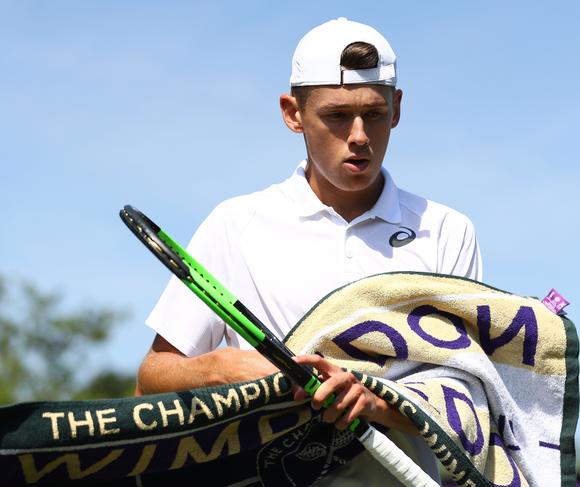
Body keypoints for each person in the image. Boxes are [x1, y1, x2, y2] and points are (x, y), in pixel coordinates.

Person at [136, 17, 482, 485]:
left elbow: (469, 397)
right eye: (337, 116)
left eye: (374, 114)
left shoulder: (447, 231)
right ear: (292, 112)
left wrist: (374, 399)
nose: (359, 135)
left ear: (397, 108)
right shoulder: (235, 224)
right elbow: (151, 381)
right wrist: (221, 368)